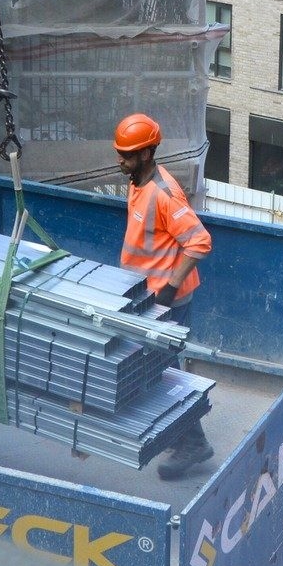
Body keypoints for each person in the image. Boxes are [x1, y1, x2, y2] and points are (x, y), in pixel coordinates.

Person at [114, 113, 214, 480]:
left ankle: (193, 442)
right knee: (158, 370)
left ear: (146, 153)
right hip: (147, 297)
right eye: (119, 152)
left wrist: (169, 289)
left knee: (165, 373)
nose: (120, 160)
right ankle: (182, 435)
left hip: (166, 302)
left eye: (127, 154)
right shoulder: (136, 182)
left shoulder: (164, 193)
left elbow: (200, 241)